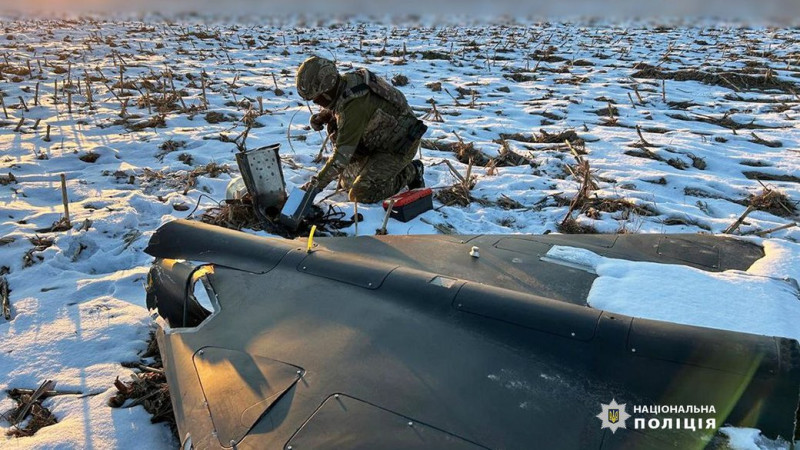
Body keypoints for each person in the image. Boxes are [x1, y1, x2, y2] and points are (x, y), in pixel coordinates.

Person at [295, 56, 427, 204]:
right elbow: (341, 104)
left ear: (327, 90)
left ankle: (412, 171)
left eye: (316, 98)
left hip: (399, 146)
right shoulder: (345, 82)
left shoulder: (353, 107)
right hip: (379, 139)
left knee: (361, 193)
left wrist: (312, 188)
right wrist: (323, 116)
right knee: (347, 184)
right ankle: (373, 166)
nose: (316, 102)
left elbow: (341, 158)